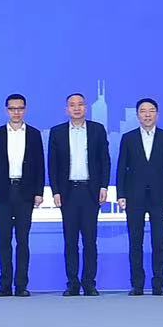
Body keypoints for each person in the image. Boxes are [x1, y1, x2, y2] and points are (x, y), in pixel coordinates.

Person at [47, 92, 110, 296]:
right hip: (68, 193)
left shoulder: (97, 130)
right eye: (72, 105)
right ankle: (72, 283)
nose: (76, 108)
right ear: (66, 109)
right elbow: (53, 164)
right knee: (70, 240)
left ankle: (89, 283)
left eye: (80, 104)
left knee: (90, 241)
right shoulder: (57, 132)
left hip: (91, 192)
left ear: (86, 107)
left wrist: (104, 186)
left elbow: (104, 160)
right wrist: (55, 191)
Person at [0, 93, 45, 296]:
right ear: (6, 110)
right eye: (12, 108)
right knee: (4, 240)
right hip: (3, 192)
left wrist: (38, 192)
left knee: (23, 240)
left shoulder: (34, 134)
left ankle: (21, 285)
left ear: (25, 110)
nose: (16, 112)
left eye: (20, 108)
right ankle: (4, 285)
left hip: (25, 192)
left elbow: (40, 165)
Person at [117, 98, 163, 295]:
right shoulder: (128, 138)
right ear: (137, 115)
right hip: (134, 197)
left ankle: (158, 284)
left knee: (159, 242)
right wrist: (121, 194)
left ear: (157, 114)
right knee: (135, 242)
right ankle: (137, 284)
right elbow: (121, 168)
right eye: (143, 111)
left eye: (151, 110)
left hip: (160, 197)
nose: (147, 114)